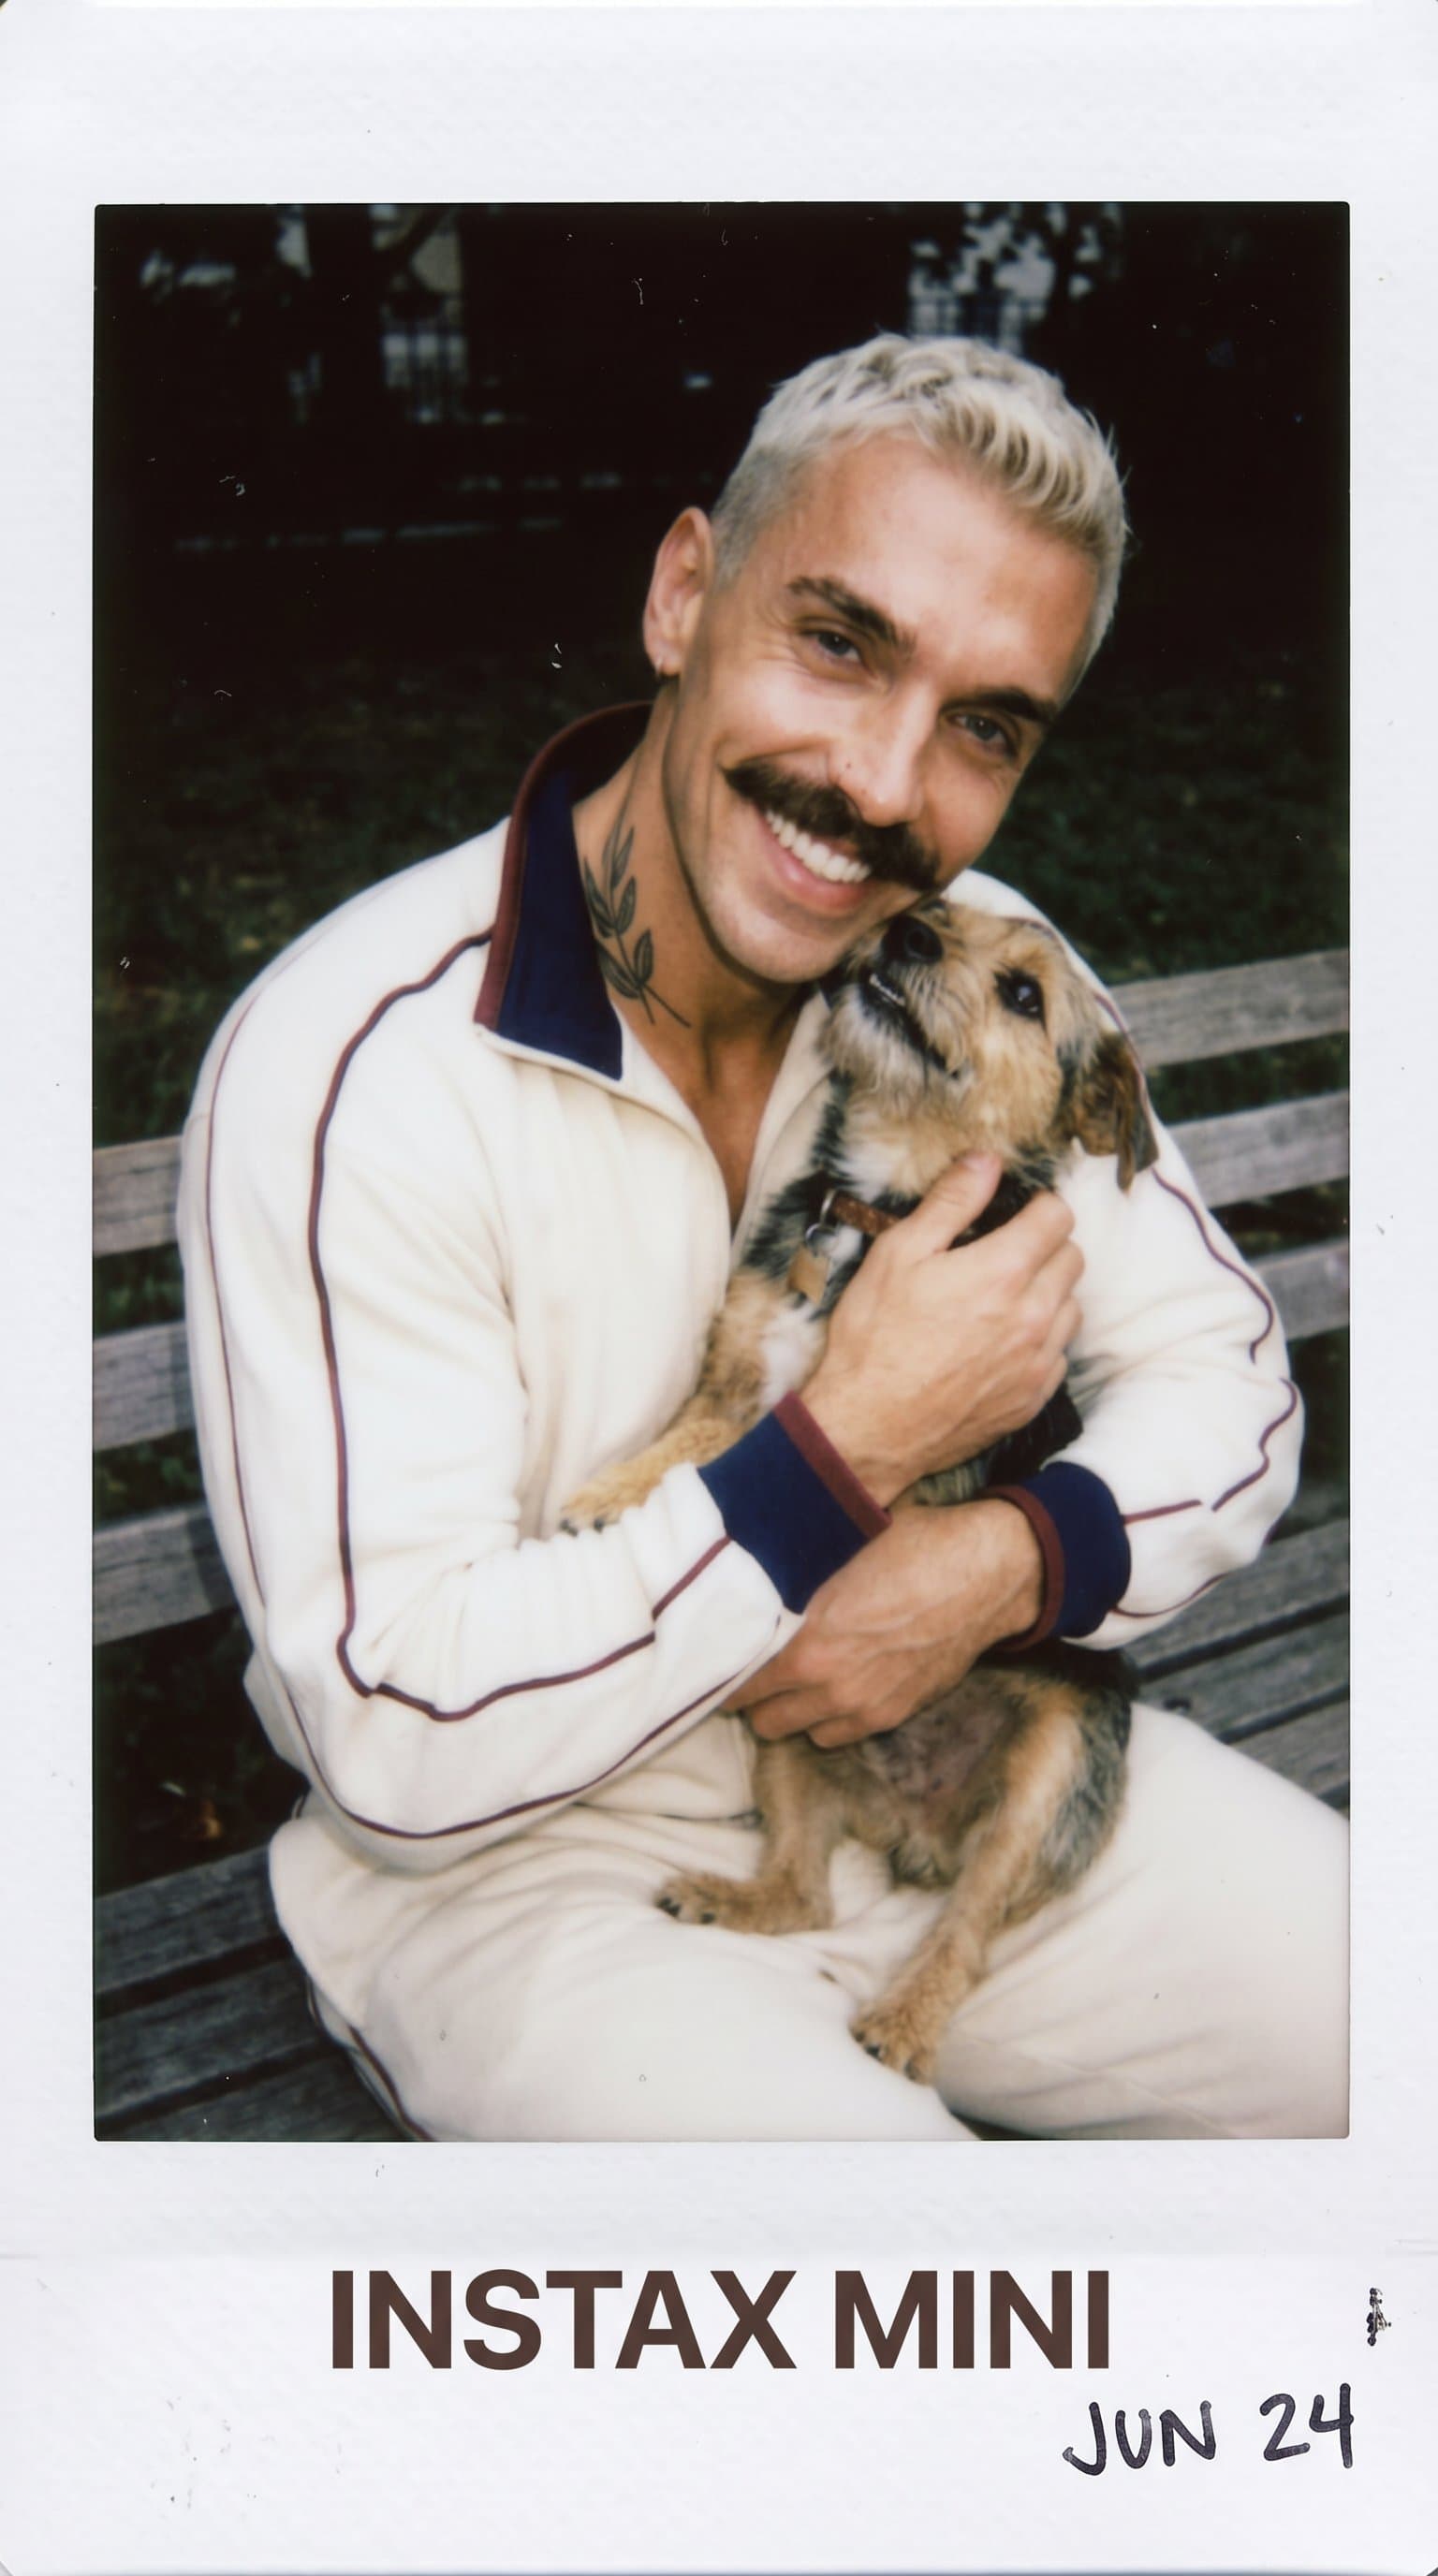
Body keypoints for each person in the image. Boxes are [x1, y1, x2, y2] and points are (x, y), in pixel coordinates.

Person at [178, 334, 1347, 2142]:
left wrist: (1007, 1566)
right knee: (905, 2307)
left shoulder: (976, 971)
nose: (882, 786)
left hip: (954, 1785)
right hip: (535, 1874)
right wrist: (839, 1456)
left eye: (983, 724)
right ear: (682, 593)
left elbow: (1234, 1386)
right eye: (841, 641)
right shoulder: (360, 1065)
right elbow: (397, 1735)